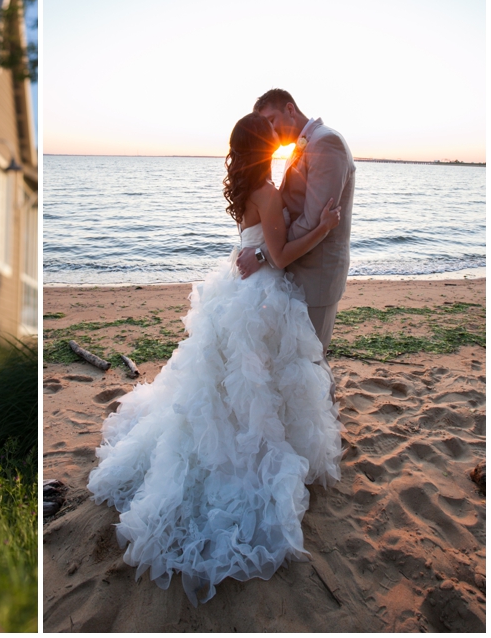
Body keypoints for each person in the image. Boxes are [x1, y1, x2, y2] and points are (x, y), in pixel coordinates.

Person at [87, 112, 344, 605]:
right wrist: (325, 225)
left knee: (232, 386)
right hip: (261, 296)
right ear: (262, 146)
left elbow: (259, 245)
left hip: (241, 290)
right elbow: (282, 253)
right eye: (273, 138)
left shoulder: (252, 187)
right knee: (254, 385)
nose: (280, 142)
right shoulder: (267, 193)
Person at [237, 89, 356, 397]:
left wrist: (265, 252)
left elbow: (316, 219)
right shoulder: (301, 146)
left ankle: (324, 439)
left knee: (312, 359)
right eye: (265, 126)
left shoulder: (326, 144)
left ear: (290, 108)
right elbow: (290, 210)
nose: (271, 132)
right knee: (296, 358)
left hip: (317, 272)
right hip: (293, 267)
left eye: (273, 120)